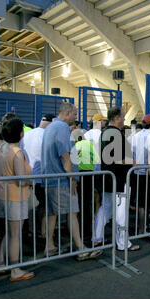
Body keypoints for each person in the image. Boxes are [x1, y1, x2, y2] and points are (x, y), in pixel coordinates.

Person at [41, 102, 101, 260]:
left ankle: (50, 246)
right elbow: (65, 156)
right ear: (67, 113)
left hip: (52, 178)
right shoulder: (62, 128)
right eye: (74, 114)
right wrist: (72, 178)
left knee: (53, 213)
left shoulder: (51, 128)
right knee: (72, 213)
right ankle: (80, 248)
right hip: (62, 180)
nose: (76, 117)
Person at [0, 119, 35, 281]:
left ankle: (0, 262)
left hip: (2, 194)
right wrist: (30, 181)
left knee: (10, 232)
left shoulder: (2, 149)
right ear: (20, 134)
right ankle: (15, 269)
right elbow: (20, 180)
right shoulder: (17, 152)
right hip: (15, 196)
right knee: (15, 234)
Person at [94, 107, 139, 252]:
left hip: (108, 177)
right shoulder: (116, 134)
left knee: (105, 209)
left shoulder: (105, 132)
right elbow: (118, 158)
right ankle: (122, 242)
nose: (125, 119)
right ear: (117, 118)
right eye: (123, 117)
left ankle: (97, 238)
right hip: (119, 179)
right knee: (121, 212)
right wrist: (132, 162)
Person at [21, 114, 53, 240]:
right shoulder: (46, 135)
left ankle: (30, 231)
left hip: (27, 176)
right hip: (41, 177)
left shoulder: (28, 134)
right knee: (43, 206)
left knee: (29, 207)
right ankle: (42, 232)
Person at [130, 114, 150, 235]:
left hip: (136, 172)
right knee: (149, 201)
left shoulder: (135, 135)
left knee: (141, 202)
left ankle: (141, 227)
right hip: (147, 173)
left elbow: (131, 155)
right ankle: (144, 228)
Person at [72, 129, 100, 245]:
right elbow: (96, 159)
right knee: (88, 202)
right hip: (90, 174)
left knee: (80, 203)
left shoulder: (76, 146)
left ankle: (80, 229)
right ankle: (88, 229)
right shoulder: (89, 144)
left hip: (80, 174)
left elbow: (73, 161)